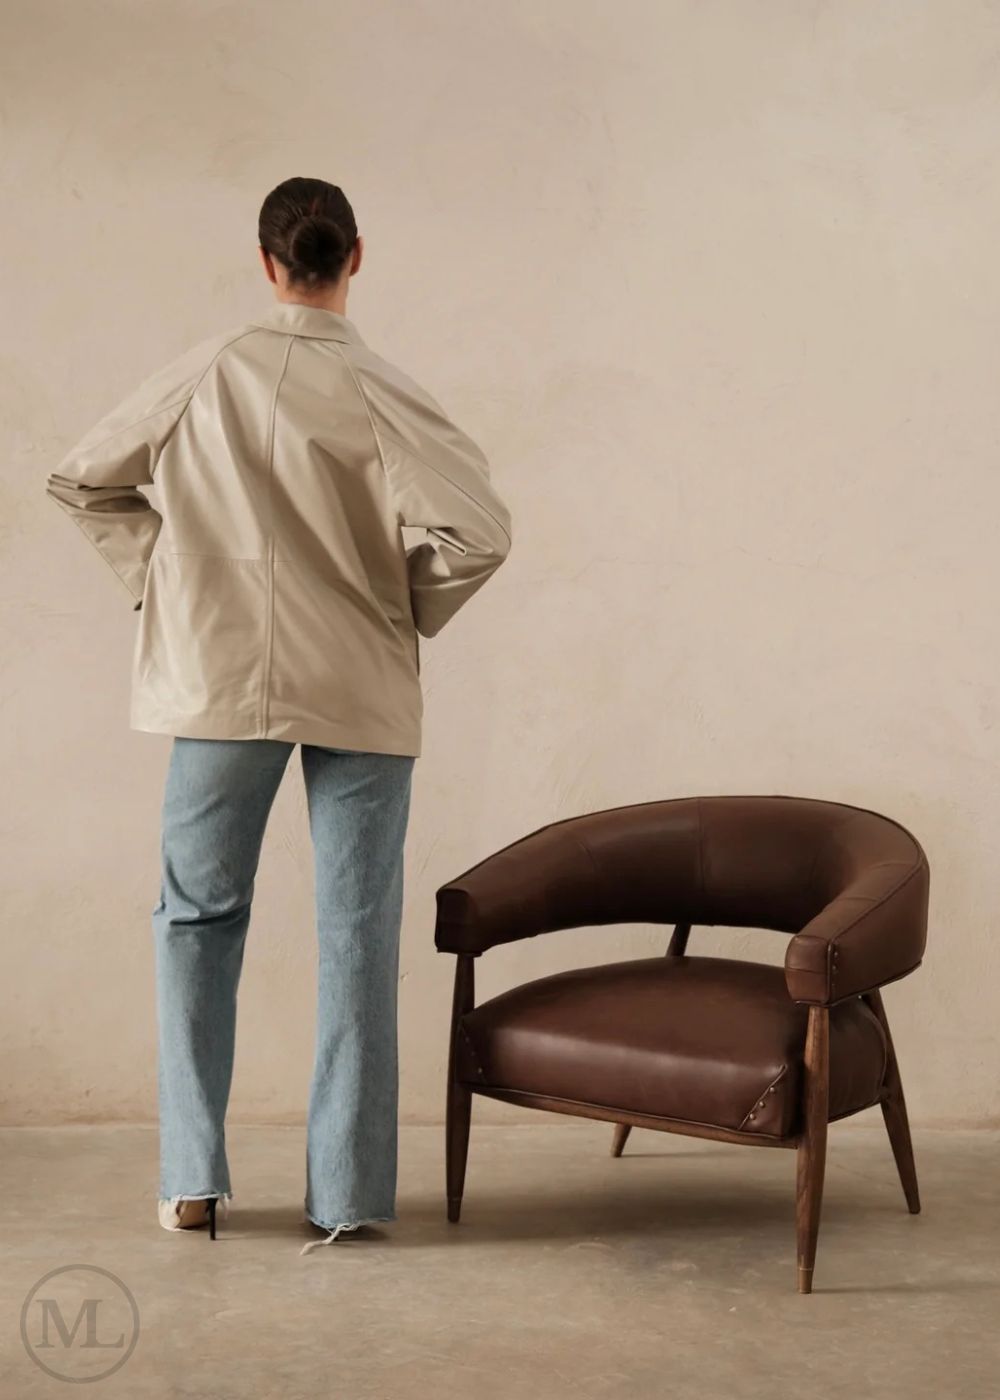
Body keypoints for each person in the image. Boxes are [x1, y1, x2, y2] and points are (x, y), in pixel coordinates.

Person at [45, 176, 513, 1252]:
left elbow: (83, 483)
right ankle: (345, 1195)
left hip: (218, 683)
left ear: (267, 263)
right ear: (356, 256)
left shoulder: (204, 373)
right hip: (359, 680)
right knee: (357, 936)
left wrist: (164, 584)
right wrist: (404, 606)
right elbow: (478, 531)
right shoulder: (385, 389)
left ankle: (192, 1180)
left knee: (196, 922)